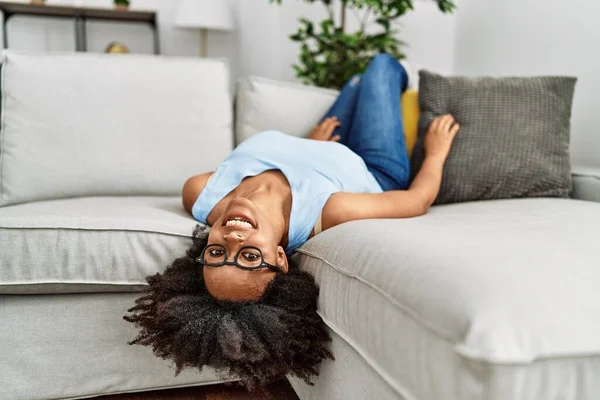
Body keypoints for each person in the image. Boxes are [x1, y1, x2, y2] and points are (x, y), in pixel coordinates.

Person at [124, 53, 459, 390]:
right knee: (380, 66)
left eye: (216, 254)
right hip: (372, 167)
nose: (233, 241)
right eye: (251, 257)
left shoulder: (200, 192)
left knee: (356, 83)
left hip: (318, 145)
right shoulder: (327, 212)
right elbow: (416, 201)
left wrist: (312, 146)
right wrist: (436, 153)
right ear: (281, 258)